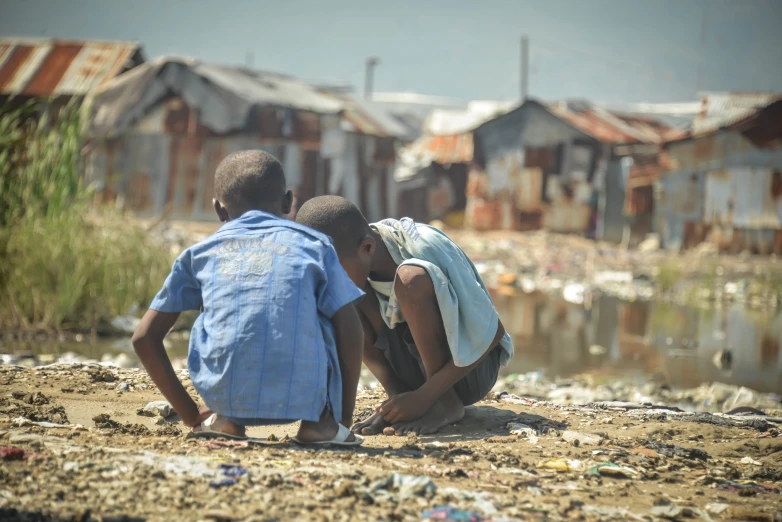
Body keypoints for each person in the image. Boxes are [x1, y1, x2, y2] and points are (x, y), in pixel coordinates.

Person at [132, 151, 365, 445]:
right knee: (329, 313)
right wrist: (344, 417)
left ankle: (225, 421)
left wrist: (190, 414)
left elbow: (143, 338)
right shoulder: (315, 245)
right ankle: (320, 426)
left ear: (219, 210)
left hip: (227, 395)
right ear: (288, 202)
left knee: (214, 314)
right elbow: (352, 330)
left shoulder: (198, 254)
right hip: (302, 394)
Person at [295, 196, 514, 436]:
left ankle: (445, 403)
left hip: (470, 369)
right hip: (417, 371)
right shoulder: (359, 253)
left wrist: (425, 396)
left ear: (367, 248)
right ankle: (397, 397)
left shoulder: (424, 245)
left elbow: (494, 332)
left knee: (411, 281)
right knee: (342, 296)